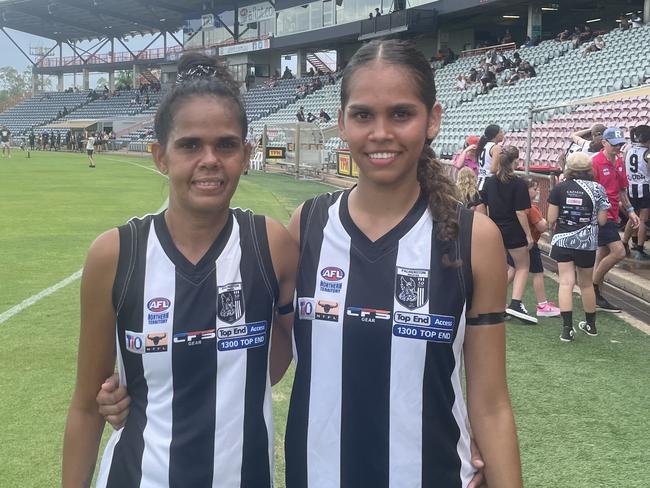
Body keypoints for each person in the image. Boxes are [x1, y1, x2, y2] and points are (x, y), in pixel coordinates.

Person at [99, 40, 514, 488]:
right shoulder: (307, 228)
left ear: (432, 119)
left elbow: (490, 405)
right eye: (362, 115)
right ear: (341, 123)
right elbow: (257, 355)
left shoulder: (475, 240)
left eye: (400, 114)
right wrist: (135, 392)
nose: (380, 132)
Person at [62, 52, 298, 487]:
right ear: (160, 156)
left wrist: (211, 382)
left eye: (226, 144)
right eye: (190, 145)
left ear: (246, 154)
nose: (209, 159)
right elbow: (85, 405)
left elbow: (285, 346)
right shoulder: (115, 254)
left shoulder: (272, 245)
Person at [547, 153, 610, 341]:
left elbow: (551, 219)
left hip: (564, 239)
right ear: (589, 169)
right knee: (586, 284)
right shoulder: (599, 189)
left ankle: (567, 329)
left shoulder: (559, 188)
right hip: (587, 242)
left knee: (566, 282)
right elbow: (602, 220)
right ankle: (590, 325)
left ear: (569, 168)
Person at [478, 145, 537, 324]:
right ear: (514, 162)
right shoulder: (519, 183)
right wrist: (528, 235)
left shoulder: (489, 182)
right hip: (513, 230)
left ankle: (494, 302)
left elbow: (481, 206)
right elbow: (520, 212)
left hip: (495, 228)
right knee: (522, 267)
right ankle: (516, 303)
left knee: (500, 268)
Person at [592, 127, 640, 312]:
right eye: (615, 145)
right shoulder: (595, 162)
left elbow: (621, 190)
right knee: (619, 252)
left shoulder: (619, 161)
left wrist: (630, 211)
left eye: (620, 144)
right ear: (604, 143)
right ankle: (594, 288)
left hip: (612, 212)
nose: (618, 148)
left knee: (603, 254)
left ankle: (596, 296)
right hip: (602, 215)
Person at [507, 178, 560, 318]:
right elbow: (542, 226)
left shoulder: (514, 205)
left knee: (512, 270)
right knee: (537, 272)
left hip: (515, 242)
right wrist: (545, 221)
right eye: (534, 189)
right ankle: (542, 304)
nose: (537, 192)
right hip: (530, 244)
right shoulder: (531, 208)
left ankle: (495, 298)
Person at [622, 125, 650, 260]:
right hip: (644, 187)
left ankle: (624, 243)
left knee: (633, 217)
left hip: (630, 187)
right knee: (643, 220)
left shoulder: (629, 149)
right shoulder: (648, 152)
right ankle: (639, 249)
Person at [475, 124, 504, 190]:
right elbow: (493, 169)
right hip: (489, 182)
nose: (503, 134)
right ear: (495, 135)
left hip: (480, 181)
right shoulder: (496, 148)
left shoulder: (484, 145)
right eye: (501, 132)